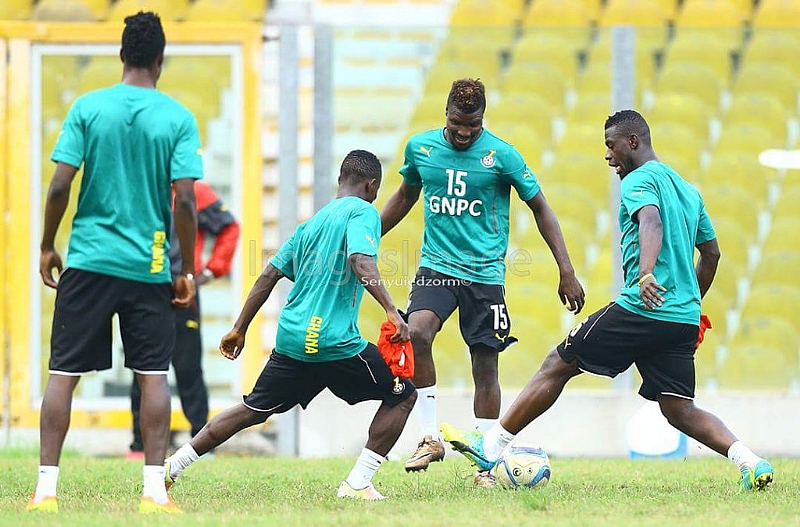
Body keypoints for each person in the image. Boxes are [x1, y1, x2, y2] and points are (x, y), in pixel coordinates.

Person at [441, 110, 775, 491]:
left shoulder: (638, 180)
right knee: (679, 408)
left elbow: (650, 220)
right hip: (681, 318)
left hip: (642, 308)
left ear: (632, 142)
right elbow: (712, 254)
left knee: (558, 363)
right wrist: (691, 304)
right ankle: (751, 462)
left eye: (611, 146)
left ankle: (491, 446)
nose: (608, 155)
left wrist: (646, 273)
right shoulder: (687, 190)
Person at [164, 150, 417, 501]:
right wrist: (391, 310)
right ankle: (358, 483)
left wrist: (239, 328)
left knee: (252, 409)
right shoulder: (364, 212)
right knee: (403, 394)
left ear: (340, 180)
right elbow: (360, 259)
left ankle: (173, 465)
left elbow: (269, 275)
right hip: (332, 341)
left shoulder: (310, 225)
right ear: (371, 186)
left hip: (293, 339)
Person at [28, 12, 201, 514]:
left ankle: (45, 492)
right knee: (153, 375)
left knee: (63, 374)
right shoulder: (177, 118)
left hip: (88, 260)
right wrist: (185, 271)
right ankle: (154, 493)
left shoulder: (88, 107)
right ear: (160, 60)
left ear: (122, 55)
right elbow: (186, 202)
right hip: (147, 265)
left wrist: (47, 244)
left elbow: (59, 186)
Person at [380, 78, 585, 484]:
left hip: (485, 274)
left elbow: (540, 207)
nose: (463, 132)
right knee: (416, 333)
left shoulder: (501, 155)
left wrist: (566, 269)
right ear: (446, 114)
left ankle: (485, 463)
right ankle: (429, 436)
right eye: (457, 124)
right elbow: (405, 196)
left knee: (485, 364)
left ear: (482, 120)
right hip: (437, 267)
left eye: (472, 126)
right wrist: (366, 240)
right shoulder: (421, 149)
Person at [128, 180, 240, 460]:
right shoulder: (140, 183)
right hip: (144, 290)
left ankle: (202, 444)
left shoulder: (194, 191)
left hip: (183, 294)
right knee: (141, 367)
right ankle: (139, 446)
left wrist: (210, 272)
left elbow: (230, 228)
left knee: (188, 369)